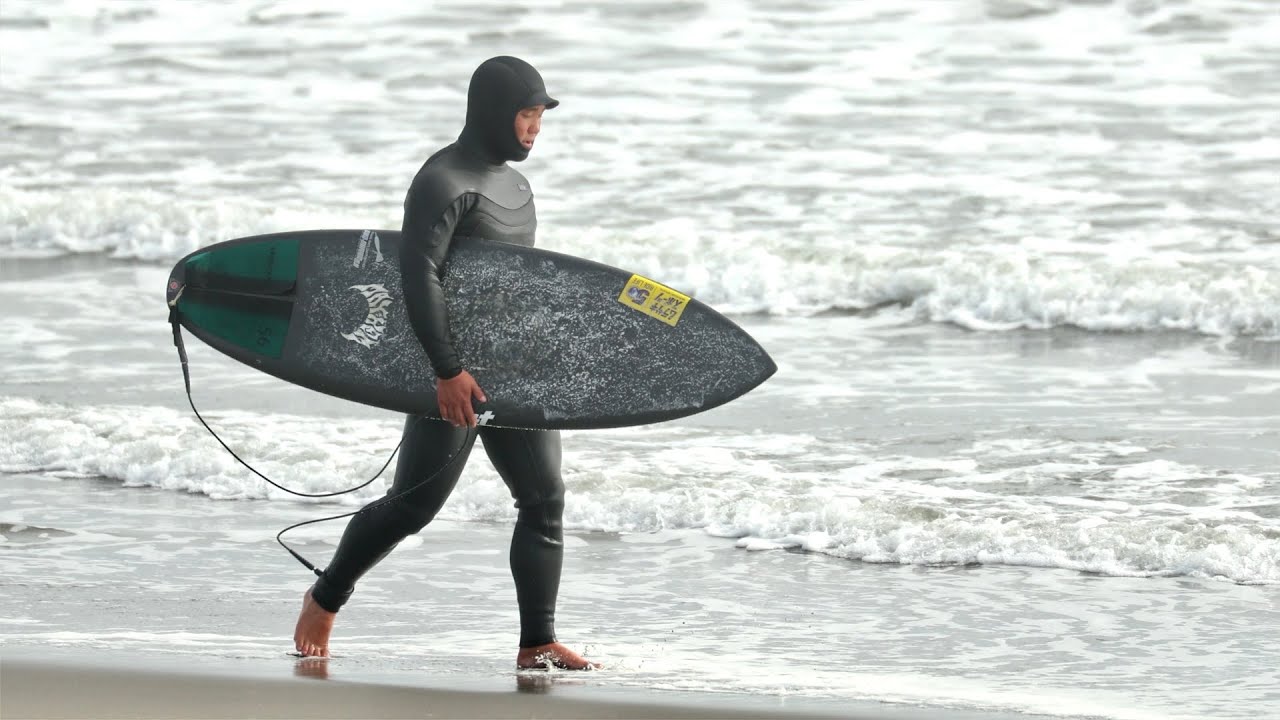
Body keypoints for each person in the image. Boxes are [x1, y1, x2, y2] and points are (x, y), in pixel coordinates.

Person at [292, 56, 595, 671]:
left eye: (540, 117)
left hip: (510, 367)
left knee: (544, 499)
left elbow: (512, 284)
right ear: (493, 113)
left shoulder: (515, 183)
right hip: (451, 371)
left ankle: (538, 642)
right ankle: (324, 597)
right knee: (414, 505)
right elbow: (419, 275)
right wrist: (446, 369)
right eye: (526, 115)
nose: (534, 129)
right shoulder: (442, 180)